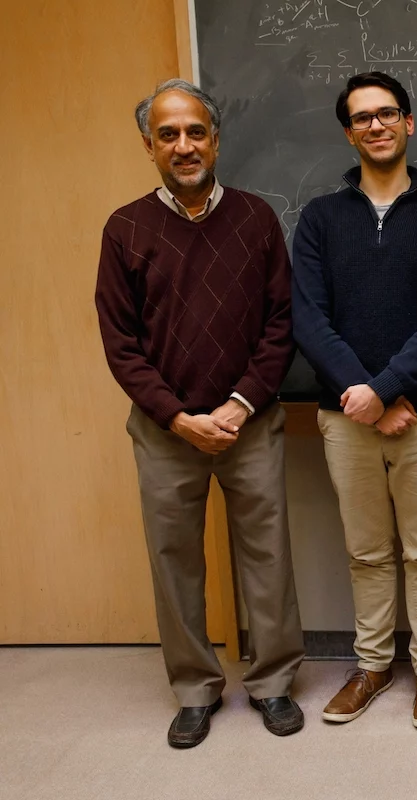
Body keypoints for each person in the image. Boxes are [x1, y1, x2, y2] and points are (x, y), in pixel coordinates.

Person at [95, 79, 305, 748]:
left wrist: (240, 405)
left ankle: (272, 684)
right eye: (168, 135)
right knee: (174, 559)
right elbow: (120, 344)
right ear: (149, 147)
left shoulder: (255, 218)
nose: (183, 146)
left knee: (267, 556)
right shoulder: (125, 228)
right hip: (165, 432)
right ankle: (194, 689)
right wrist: (178, 417)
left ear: (215, 138)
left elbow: (280, 323)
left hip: (251, 422)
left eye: (195, 132)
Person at [292, 71, 417, 729]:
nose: (376, 124)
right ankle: (373, 666)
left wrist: (386, 388)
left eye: (387, 113)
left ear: (408, 124)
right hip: (346, 416)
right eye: (362, 117)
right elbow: (308, 318)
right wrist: (365, 397)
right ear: (349, 132)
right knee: (367, 550)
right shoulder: (319, 219)